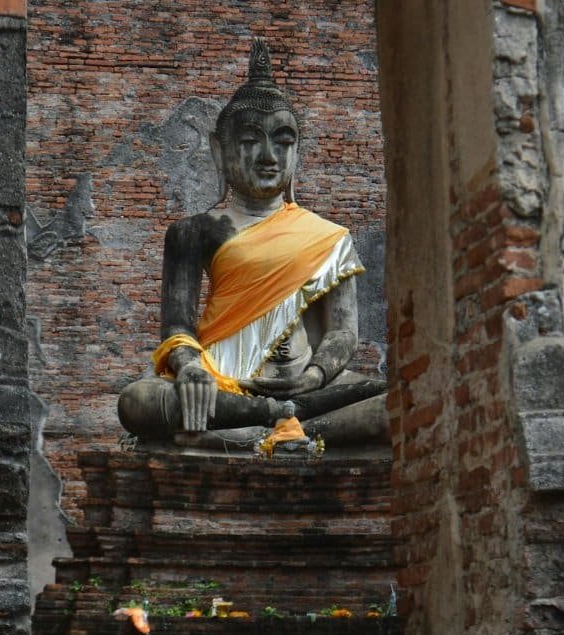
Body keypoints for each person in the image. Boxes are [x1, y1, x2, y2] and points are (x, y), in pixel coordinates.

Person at [117, 38, 386, 450]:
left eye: (282, 141)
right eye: (249, 141)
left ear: (297, 152)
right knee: (138, 401)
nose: (267, 155)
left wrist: (314, 376)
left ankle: (272, 427)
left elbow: (343, 334)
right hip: (223, 382)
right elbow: (177, 327)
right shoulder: (194, 230)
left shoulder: (329, 237)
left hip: (308, 387)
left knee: (398, 402)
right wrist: (190, 369)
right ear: (218, 150)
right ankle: (276, 423)